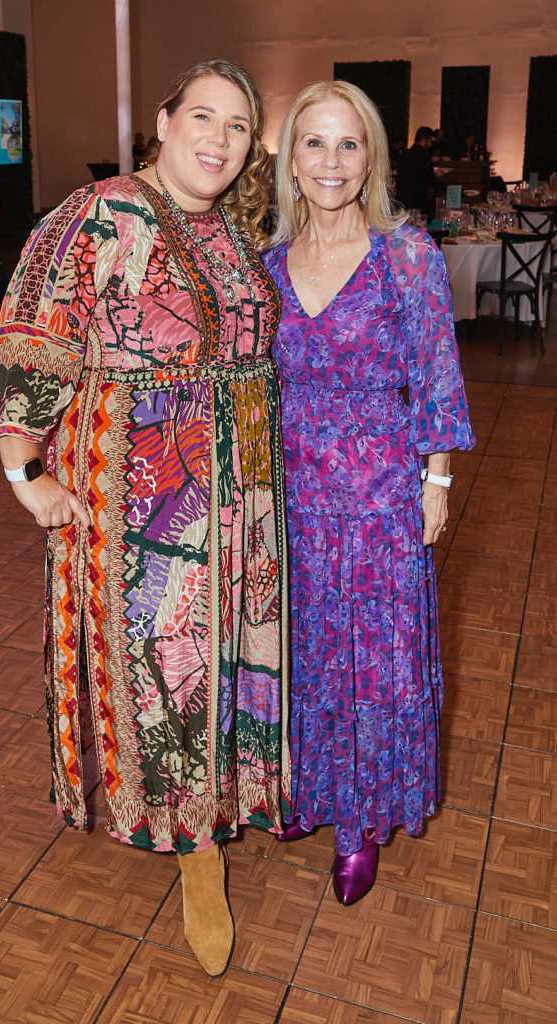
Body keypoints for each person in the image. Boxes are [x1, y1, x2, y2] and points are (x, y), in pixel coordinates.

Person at [0, 59, 289, 977]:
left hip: (240, 493)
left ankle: (225, 803)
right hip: (148, 498)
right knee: (170, 666)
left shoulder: (232, 226)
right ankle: (194, 850)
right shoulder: (97, 214)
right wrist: (23, 470)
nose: (219, 139)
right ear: (163, 119)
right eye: (203, 116)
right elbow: (33, 329)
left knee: (228, 655)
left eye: (238, 127)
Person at [262, 81, 474, 906]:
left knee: (372, 666)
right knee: (305, 658)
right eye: (313, 143)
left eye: (347, 144)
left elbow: (435, 376)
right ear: (290, 161)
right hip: (290, 498)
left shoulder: (408, 254)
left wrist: (437, 480)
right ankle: (307, 789)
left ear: (372, 158)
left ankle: (359, 821)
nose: (330, 162)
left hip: (381, 496)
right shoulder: (267, 264)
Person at [395, 125, 438, 218]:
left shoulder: (404, 154)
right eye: (430, 141)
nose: (431, 145)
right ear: (423, 140)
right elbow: (430, 180)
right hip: (417, 203)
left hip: (401, 201)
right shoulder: (424, 157)